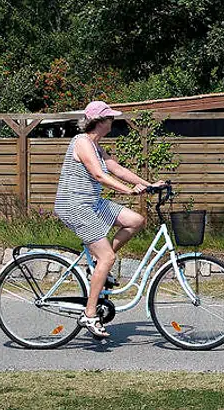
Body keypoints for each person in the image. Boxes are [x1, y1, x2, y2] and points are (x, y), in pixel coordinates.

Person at [54, 100, 164, 339]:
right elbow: (98, 174)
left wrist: (148, 185)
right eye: (110, 118)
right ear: (99, 121)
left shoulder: (97, 147)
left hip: (93, 203)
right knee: (109, 257)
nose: (113, 121)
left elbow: (118, 169)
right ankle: (90, 314)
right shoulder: (82, 142)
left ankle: (97, 265)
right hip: (75, 206)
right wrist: (127, 191)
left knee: (136, 221)